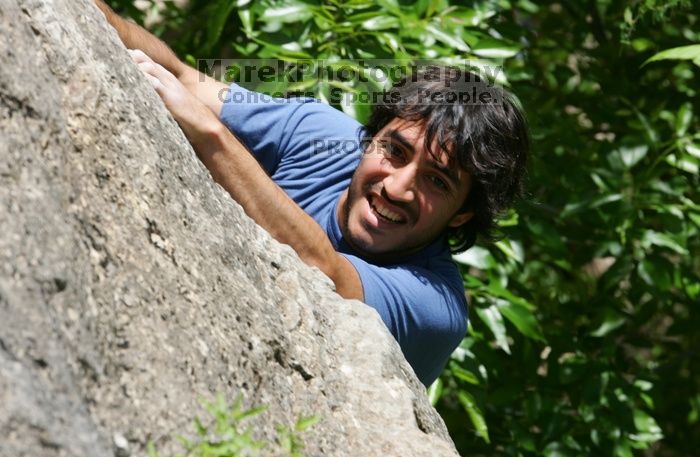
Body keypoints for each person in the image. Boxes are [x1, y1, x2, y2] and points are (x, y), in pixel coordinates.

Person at [94, 1, 529, 386]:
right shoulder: (323, 133)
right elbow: (183, 79)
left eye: (437, 181)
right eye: (394, 151)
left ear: (462, 215)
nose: (397, 187)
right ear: (370, 137)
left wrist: (212, 136)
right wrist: (99, 15)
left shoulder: (435, 306)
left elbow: (323, 274)